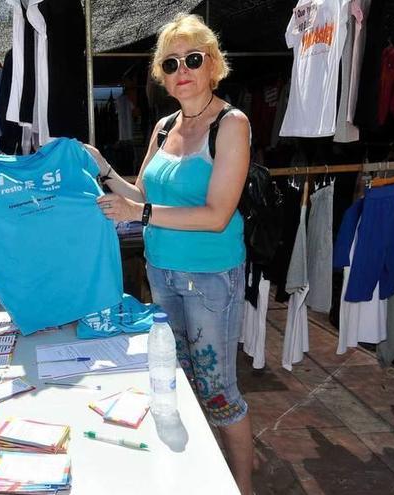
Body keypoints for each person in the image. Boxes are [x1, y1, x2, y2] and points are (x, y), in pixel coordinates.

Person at [85, 14, 254, 494]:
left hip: (210, 276)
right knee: (175, 379)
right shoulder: (163, 127)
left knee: (220, 392)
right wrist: (101, 168)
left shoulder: (231, 123)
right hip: (161, 272)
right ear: (161, 73)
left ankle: (244, 487)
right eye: (171, 62)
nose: (183, 69)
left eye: (193, 59)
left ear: (213, 65)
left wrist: (139, 212)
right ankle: (198, 478)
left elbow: (217, 214)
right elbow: (139, 197)